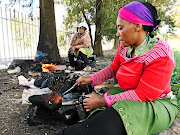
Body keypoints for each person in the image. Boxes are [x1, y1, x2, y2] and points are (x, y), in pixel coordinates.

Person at [58, 1, 179, 135]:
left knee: (108, 120)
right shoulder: (125, 46)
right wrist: (91, 78)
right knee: (95, 119)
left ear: (138, 25)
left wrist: (103, 101)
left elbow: (143, 95)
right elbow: (113, 69)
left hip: (153, 104)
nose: (117, 33)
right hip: (126, 94)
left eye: (120, 28)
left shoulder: (161, 54)